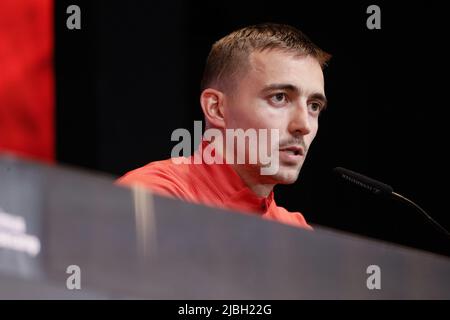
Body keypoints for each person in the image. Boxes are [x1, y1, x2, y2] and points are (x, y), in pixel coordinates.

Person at [117, 23, 331, 230]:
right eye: (279, 98)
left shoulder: (295, 229)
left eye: (314, 106)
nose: (304, 125)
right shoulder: (155, 196)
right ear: (217, 108)